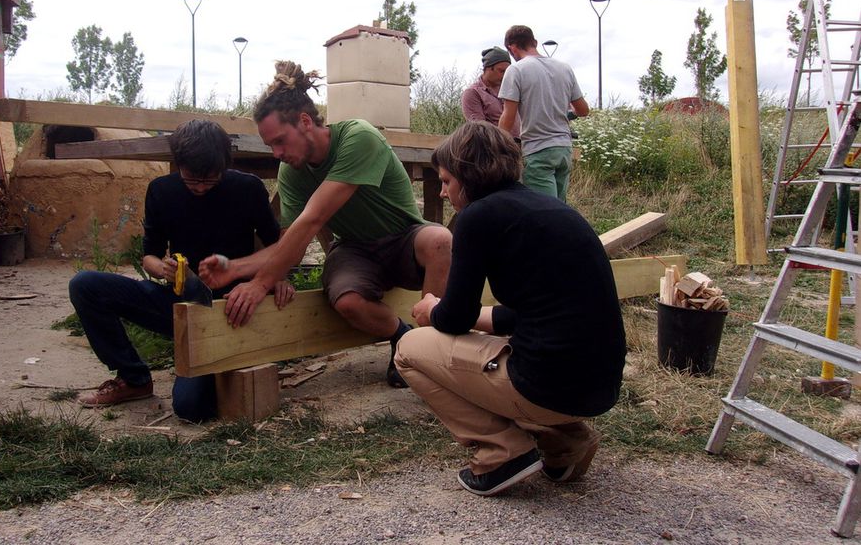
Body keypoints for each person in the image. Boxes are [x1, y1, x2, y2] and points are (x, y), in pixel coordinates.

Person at [395, 121, 625, 496]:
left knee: (409, 350)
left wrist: (431, 309)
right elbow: (531, 313)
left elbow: (453, 318)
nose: (443, 190)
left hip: (544, 388)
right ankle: (567, 442)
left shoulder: (477, 217)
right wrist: (477, 319)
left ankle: (500, 452)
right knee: (519, 346)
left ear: (467, 177)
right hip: (599, 389)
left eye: (447, 181)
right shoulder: (552, 209)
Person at [199, 61, 452, 388]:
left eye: (279, 141)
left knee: (440, 239)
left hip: (404, 238)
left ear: (305, 121)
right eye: (270, 146)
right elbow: (289, 243)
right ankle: (402, 336)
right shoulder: (291, 173)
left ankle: (429, 349)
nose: (276, 153)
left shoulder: (358, 137)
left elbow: (313, 219)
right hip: (356, 249)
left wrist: (260, 283)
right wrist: (236, 268)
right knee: (346, 300)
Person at [68, 119, 292, 420]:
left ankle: (219, 359)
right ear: (179, 164)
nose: (200, 187)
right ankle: (134, 379)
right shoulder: (161, 190)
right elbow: (149, 255)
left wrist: (276, 277)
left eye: (209, 180)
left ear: (224, 166)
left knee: (191, 408)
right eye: (191, 179)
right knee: (85, 285)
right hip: (182, 303)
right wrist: (162, 269)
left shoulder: (247, 188)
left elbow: (277, 245)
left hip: (233, 308)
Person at [497, 25, 589, 202]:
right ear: (535, 42)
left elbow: (508, 116)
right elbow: (583, 110)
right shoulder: (564, 68)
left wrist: (497, 146)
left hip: (538, 150)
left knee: (543, 210)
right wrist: (566, 113)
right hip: (563, 149)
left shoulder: (516, 70)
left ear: (512, 48)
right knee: (559, 208)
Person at [461, 46, 519, 140]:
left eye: (508, 71)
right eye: (501, 71)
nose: (505, 75)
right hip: (493, 150)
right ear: (488, 68)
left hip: (520, 147)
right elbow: (480, 130)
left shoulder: (511, 90)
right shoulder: (473, 93)